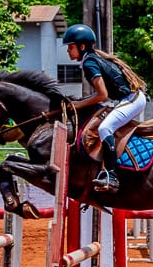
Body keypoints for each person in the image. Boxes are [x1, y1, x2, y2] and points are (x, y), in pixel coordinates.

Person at [63, 23, 147, 193]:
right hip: (129, 99)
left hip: (133, 99)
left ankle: (112, 176)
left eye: (70, 47)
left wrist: (78, 104)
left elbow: (102, 95)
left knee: (105, 128)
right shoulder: (92, 59)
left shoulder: (90, 63)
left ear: (82, 46)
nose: (68, 51)